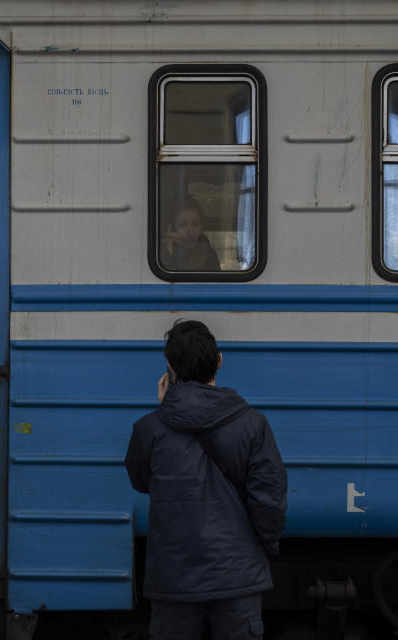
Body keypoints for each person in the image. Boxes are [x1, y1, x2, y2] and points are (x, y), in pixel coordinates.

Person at [125, 320, 288, 640]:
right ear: (219, 361)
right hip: (237, 577)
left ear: (169, 370)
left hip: (174, 578)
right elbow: (269, 500)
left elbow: (142, 481)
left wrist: (167, 410)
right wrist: (263, 548)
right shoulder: (253, 424)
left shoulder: (149, 429)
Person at [161, 197, 221, 271]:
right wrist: (168, 254)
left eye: (196, 224)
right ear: (172, 229)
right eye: (182, 225)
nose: (191, 233)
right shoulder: (159, 258)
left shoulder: (210, 256)